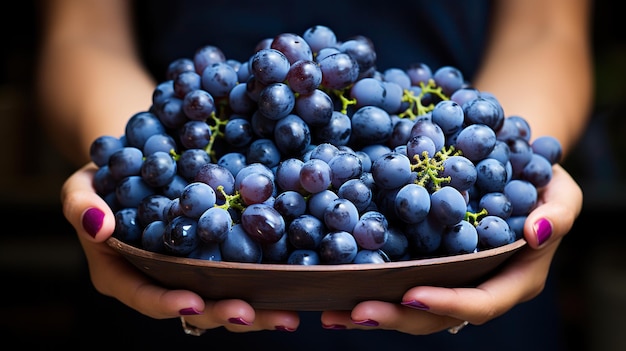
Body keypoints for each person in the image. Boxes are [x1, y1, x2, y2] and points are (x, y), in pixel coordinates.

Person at [37, 0, 592, 348]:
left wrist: (517, 159)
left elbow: (546, 33)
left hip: (451, 269)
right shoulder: (218, 167)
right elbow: (82, 36)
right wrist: (121, 152)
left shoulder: (427, 165)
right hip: (194, 215)